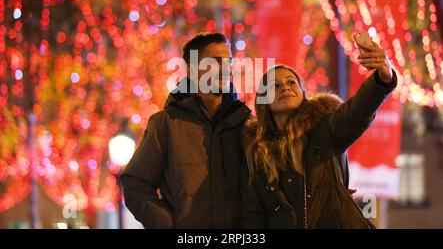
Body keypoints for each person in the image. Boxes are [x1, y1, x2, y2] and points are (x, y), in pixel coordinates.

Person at [241, 37, 397, 228]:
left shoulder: (326, 128)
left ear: (302, 93)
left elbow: (358, 110)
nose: (285, 87)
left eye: (291, 82)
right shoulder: (257, 154)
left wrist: (383, 77)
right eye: (275, 85)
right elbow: (254, 215)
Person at [121, 32, 251, 228]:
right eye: (215, 62)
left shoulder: (245, 124)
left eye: (229, 62)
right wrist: (167, 224)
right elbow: (135, 183)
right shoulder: (166, 124)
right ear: (191, 70)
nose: (226, 69)